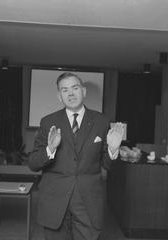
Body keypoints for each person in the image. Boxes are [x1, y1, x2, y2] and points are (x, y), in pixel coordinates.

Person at [28, 72, 124, 240]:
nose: (70, 93)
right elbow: (33, 163)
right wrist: (50, 149)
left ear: (84, 91)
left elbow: (109, 166)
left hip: (88, 204)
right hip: (54, 202)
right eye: (64, 90)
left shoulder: (101, 121)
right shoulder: (47, 122)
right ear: (59, 96)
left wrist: (113, 151)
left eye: (75, 88)